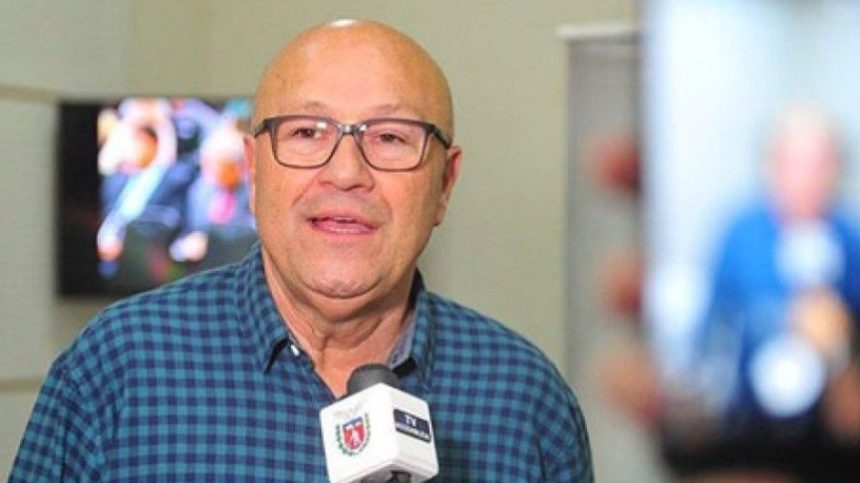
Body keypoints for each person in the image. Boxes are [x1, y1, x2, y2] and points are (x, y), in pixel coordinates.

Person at [11, 20, 593, 482]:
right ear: (254, 171)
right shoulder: (116, 367)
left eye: (391, 137)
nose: (346, 173)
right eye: (307, 133)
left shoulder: (526, 399)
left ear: (444, 184)